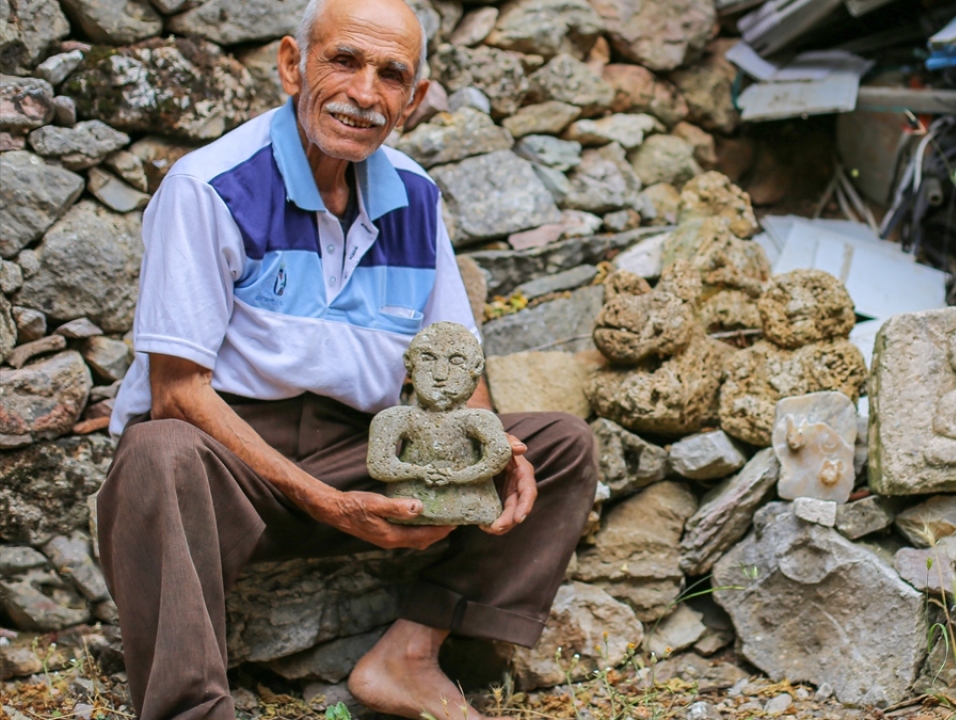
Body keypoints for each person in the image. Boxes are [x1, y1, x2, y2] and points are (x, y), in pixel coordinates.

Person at [96, 0, 597, 717]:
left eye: (391, 74)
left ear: (414, 100)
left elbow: (454, 363)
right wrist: (328, 504)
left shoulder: (416, 198)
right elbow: (178, 391)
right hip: (231, 465)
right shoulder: (208, 187)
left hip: (358, 451)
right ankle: (191, 710)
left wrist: (488, 452)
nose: (365, 93)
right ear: (293, 66)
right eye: (344, 61)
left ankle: (409, 655)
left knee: (556, 447)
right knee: (157, 451)